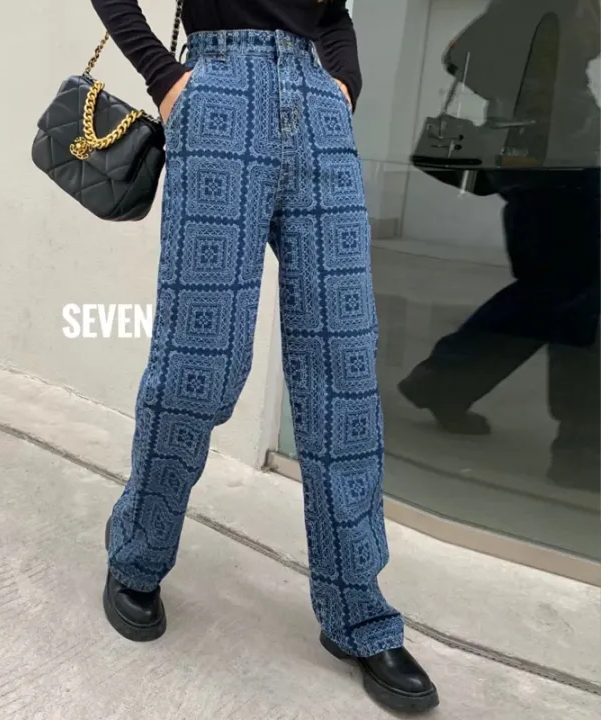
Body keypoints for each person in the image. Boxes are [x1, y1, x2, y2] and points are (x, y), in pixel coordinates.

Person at [91, 0, 438, 713]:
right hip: (218, 94)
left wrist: (343, 86)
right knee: (201, 364)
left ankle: (358, 612)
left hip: (319, 108)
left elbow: (333, 16)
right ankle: (138, 555)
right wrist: (167, 79)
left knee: (344, 366)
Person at [399, 0, 600, 490]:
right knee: (581, 301)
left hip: (534, 155)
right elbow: (577, 44)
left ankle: (444, 382)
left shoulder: (528, 33)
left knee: (545, 292)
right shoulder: (549, 29)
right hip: (559, 162)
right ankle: (582, 448)